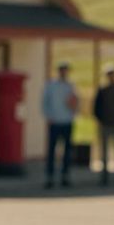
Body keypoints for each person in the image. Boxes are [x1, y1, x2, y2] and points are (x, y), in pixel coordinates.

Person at [40, 61, 79, 189]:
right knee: (52, 151)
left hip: (67, 121)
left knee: (67, 151)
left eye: (65, 70)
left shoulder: (70, 86)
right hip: (55, 121)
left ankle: (65, 176)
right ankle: (50, 176)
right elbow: (44, 102)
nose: (64, 72)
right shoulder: (51, 85)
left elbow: (76, 102)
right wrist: (48, 116)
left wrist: (74, 114)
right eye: (62, 70)